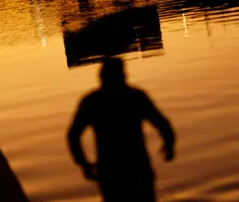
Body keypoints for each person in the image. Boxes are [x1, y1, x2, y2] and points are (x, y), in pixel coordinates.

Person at [67, 57, 175, 202]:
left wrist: (83, 163)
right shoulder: (135, 96)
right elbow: (162, 123)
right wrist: (169, 144)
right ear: (123, 75)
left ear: (101, 77)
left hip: (110, 170)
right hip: (136, 166)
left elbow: (73, 135)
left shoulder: (92, 101)